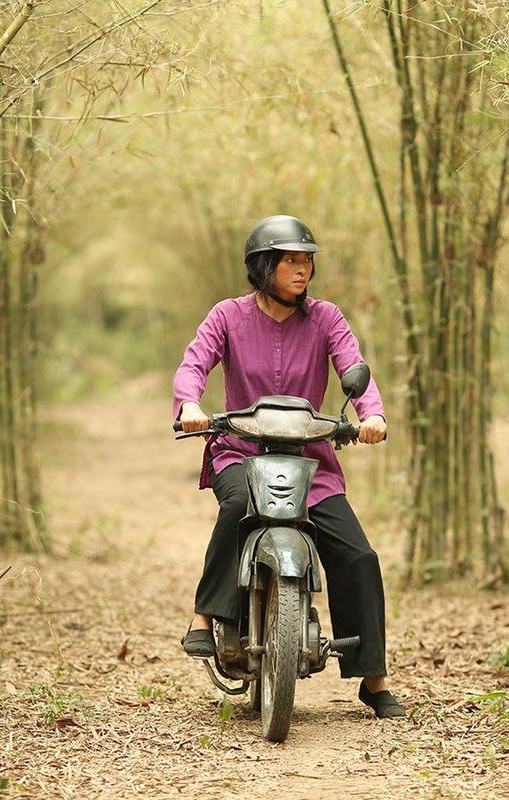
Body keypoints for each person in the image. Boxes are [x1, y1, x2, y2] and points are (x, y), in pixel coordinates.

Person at [171, 214, 405, 719]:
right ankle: (205, 616)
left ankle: (374, 678)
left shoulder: (326, 318)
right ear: (263, 267)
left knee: (359, 555)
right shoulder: (227, 316)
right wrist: (190, 404)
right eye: (291, 261)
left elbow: (352, 367)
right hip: (241, 452)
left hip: (310, 462)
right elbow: (194, 363)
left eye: (307, 261)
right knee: (236, 504)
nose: (303, 270)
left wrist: (373, 414)